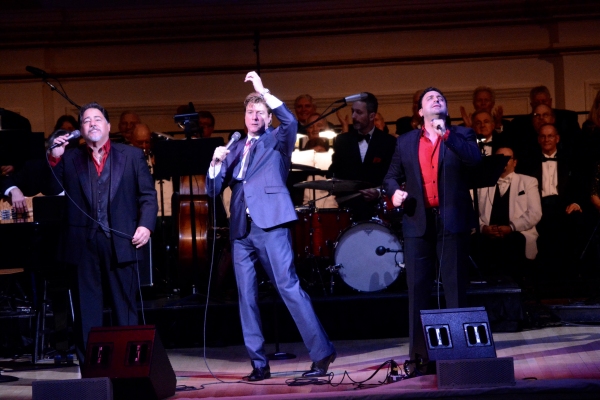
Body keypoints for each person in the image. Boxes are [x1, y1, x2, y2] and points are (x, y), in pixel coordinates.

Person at [207, 72, 335, 381]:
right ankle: (258, 364)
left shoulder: (277, 140)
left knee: (287, 285)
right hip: (241, 231)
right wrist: (214, 165)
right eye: (250, 111)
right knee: (246, 297)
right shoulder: (235, 148)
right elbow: (213, 191)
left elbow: (290, 121)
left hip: (272, 225)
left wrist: (264, 92)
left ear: (267, 118)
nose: (254, 116)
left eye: (260, 112)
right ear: (244, 116)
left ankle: (322, 352)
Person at [48, 102, 158, 363]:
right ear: (81, 130)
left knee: (126, 312)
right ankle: (92, 375)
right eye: (86, 120)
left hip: (121, 241)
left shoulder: (131, 155)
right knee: (87, 315)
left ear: (109, 126)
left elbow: (148, 196)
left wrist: (145, 225)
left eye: (98, 119)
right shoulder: (70, 158)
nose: (93, 123)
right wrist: (55, 157)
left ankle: (133, 369)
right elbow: (52, 190)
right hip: (83, 247)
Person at [383, 87, 481, 368]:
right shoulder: (405, 141)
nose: (437, 100)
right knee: (417, 291)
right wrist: (394, 193)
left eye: (441, 98)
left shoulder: (461, 135)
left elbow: (474, 161)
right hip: (418, 221)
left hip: (452, 220)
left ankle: (461, 356)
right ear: (420, 112)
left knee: (456, 289)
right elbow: (390, 177)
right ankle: (418, 357)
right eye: (430, 99)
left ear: (446, 110)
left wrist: (446, 135)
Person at [475, 146, 542, 282]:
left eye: (507, 158)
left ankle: (514, 287)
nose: (503, 162)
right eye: (499, 158)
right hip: (488, 233)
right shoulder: (482, 183)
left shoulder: (528, 182)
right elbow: (471, 211)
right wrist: (483, 228)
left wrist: (511, 227)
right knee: (477, 242)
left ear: (515, 162)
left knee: (513, 243)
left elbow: (535, 213)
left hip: (516, 233)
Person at [329, 92, 396, 221]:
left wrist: (378, 192)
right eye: (353, 111)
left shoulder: (388, 142)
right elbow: (333, 172)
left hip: (380, 211)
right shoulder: (342, 141)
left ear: (372, 116)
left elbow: (394, 176)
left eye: (359, 113)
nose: (353, 116)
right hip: (348, 211)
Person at [532, 124, 586, 278]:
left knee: (575, 221)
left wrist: (576, 203)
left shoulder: (570, 160)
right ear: (538, 139)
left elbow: (579, 185)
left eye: (550, 136)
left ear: (557, 138)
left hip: (564, 205)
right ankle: (544, 276)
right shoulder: (530, 163)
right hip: (539, 205)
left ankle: (572, 274)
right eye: (543, 136)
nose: (546, 139)